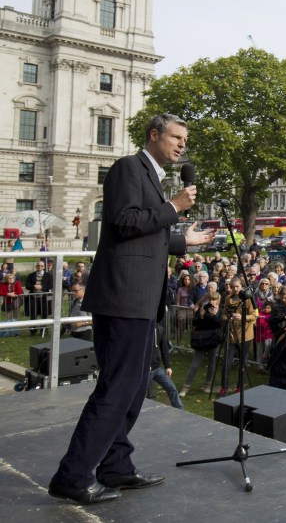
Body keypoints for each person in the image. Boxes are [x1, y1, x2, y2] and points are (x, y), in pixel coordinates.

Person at [50, 113, 214, 505]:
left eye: (184, 140)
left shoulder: (152, 177)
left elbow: (144, 234)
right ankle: (72, 475)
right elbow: (122, 222)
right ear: (154, 135)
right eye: (175, 137)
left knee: (135, 386)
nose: (181, 145)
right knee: (117, 387)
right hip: (122, 298)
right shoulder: (128, 168)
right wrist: (174, 207)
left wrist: (181, 241)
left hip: (139, 299)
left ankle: (115, 466)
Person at [180, 291, 221, 396]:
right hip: (201, 340)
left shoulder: (219, 311)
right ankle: (186, 387)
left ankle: (208, 385)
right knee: (195, 364)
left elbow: (218, 324)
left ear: (218, 301)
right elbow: (194, 323)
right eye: (210, 299)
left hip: (213, 340)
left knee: (212, 363)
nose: (212, 302)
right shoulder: (202, 309)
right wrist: (201, 316)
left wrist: (214, 315)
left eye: (214, 300)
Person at [147, 321, 183, 409]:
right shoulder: (142, 329)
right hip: (144, 370)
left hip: (157, 368)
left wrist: (168, 366)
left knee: (172, 388)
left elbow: (164, 349)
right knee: (140, 395)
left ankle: (179, 410)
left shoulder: (160, 329)